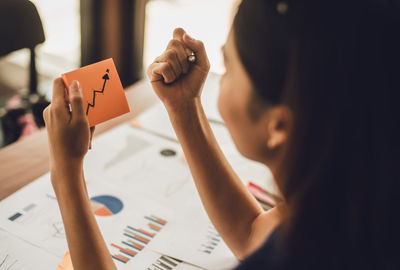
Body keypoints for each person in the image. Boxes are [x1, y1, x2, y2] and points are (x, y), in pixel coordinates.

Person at [43, 0, 400, 269]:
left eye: (227, 68)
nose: (218, 79)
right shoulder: (353, 195)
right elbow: (252, 234)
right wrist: (184, 108)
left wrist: (65, 171)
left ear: (279, 127)